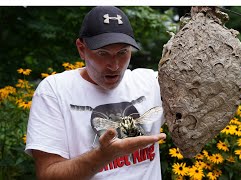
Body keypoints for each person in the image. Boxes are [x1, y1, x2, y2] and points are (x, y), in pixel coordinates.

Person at [25, 6, 166, 180]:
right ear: (81, 49)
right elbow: (47, 175)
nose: (114, 65)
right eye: (103, 53)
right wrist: (103, 155)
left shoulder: (152, 83)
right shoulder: (54, 91)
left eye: (123, 52)